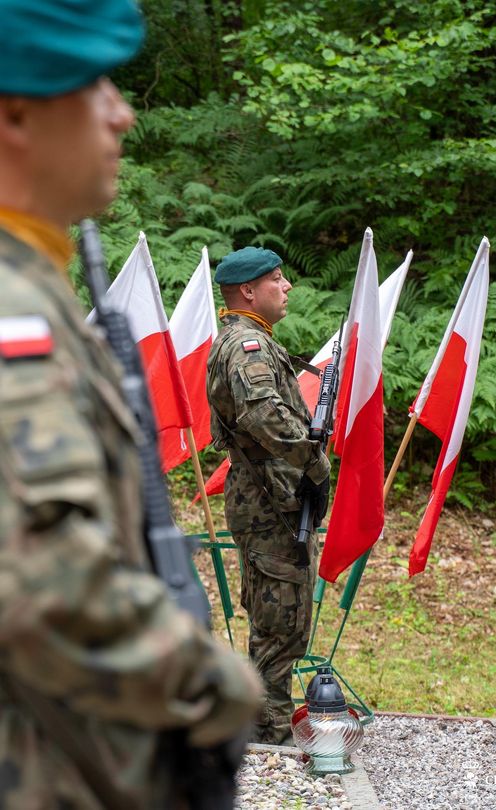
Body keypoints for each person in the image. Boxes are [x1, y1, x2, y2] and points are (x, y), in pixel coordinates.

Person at [0, 2, 261, 807]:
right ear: (16, 113)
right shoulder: (12, 310)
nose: (123, 113)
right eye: (95, 85)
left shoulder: (35, 284)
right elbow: (38, 584)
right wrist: (211, 684)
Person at [206, 247, 331, 745]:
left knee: (277, 617)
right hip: (269, 501)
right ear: (248, 291)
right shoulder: (247, 346)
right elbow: (262, 415)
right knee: (282, 622)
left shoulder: (250, 340)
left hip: (271, 497)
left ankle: (263, 723)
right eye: (276, 279)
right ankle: (269, 734)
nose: (287, 286)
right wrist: (314, 460)